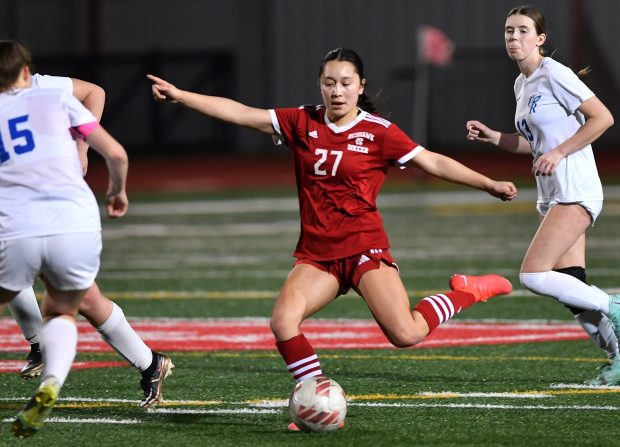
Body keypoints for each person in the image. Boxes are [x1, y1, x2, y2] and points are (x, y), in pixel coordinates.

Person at [148, 47, 518, 428]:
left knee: (406, 334)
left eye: (345, 83)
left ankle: (466, 292)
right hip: (317, 256)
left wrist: (487, 183)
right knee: (283, 321)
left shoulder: (379, 132)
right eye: (329, 83)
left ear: (361, 86)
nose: (337, 91)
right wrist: (182, 96)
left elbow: (433, 161)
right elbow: (242, 113)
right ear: (320, 86)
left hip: (363, 248)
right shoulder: (302, 121)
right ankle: (317, 401)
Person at [465, 5, 619, 385]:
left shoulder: (555, 73)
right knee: (572, 284)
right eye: (507, 31)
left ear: (540, 39)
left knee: (534, 274)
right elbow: (532, 143)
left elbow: (603, 118)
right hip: (552, 195)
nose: (513, 38)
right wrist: (495, 137)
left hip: (575, 188)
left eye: (521, 31)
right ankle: (617, 359)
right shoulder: (522, 84)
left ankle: (615, 305)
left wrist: (560, 152)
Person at [4, 71, 173, 408]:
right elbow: (117, 154)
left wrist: (81, 146)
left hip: (43, 208)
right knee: (85, 301)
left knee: (28, 277)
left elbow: (95, 91)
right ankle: (150, 363)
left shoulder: (45, 90)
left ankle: (40, 343)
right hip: (62, 213)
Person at [0, 40, 128, 438]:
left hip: (16, 225)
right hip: (75, 220)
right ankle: (51, 381)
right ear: (26, 72)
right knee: (61, 312)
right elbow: (118, 155)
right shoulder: (56, 98)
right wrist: (117, 191)